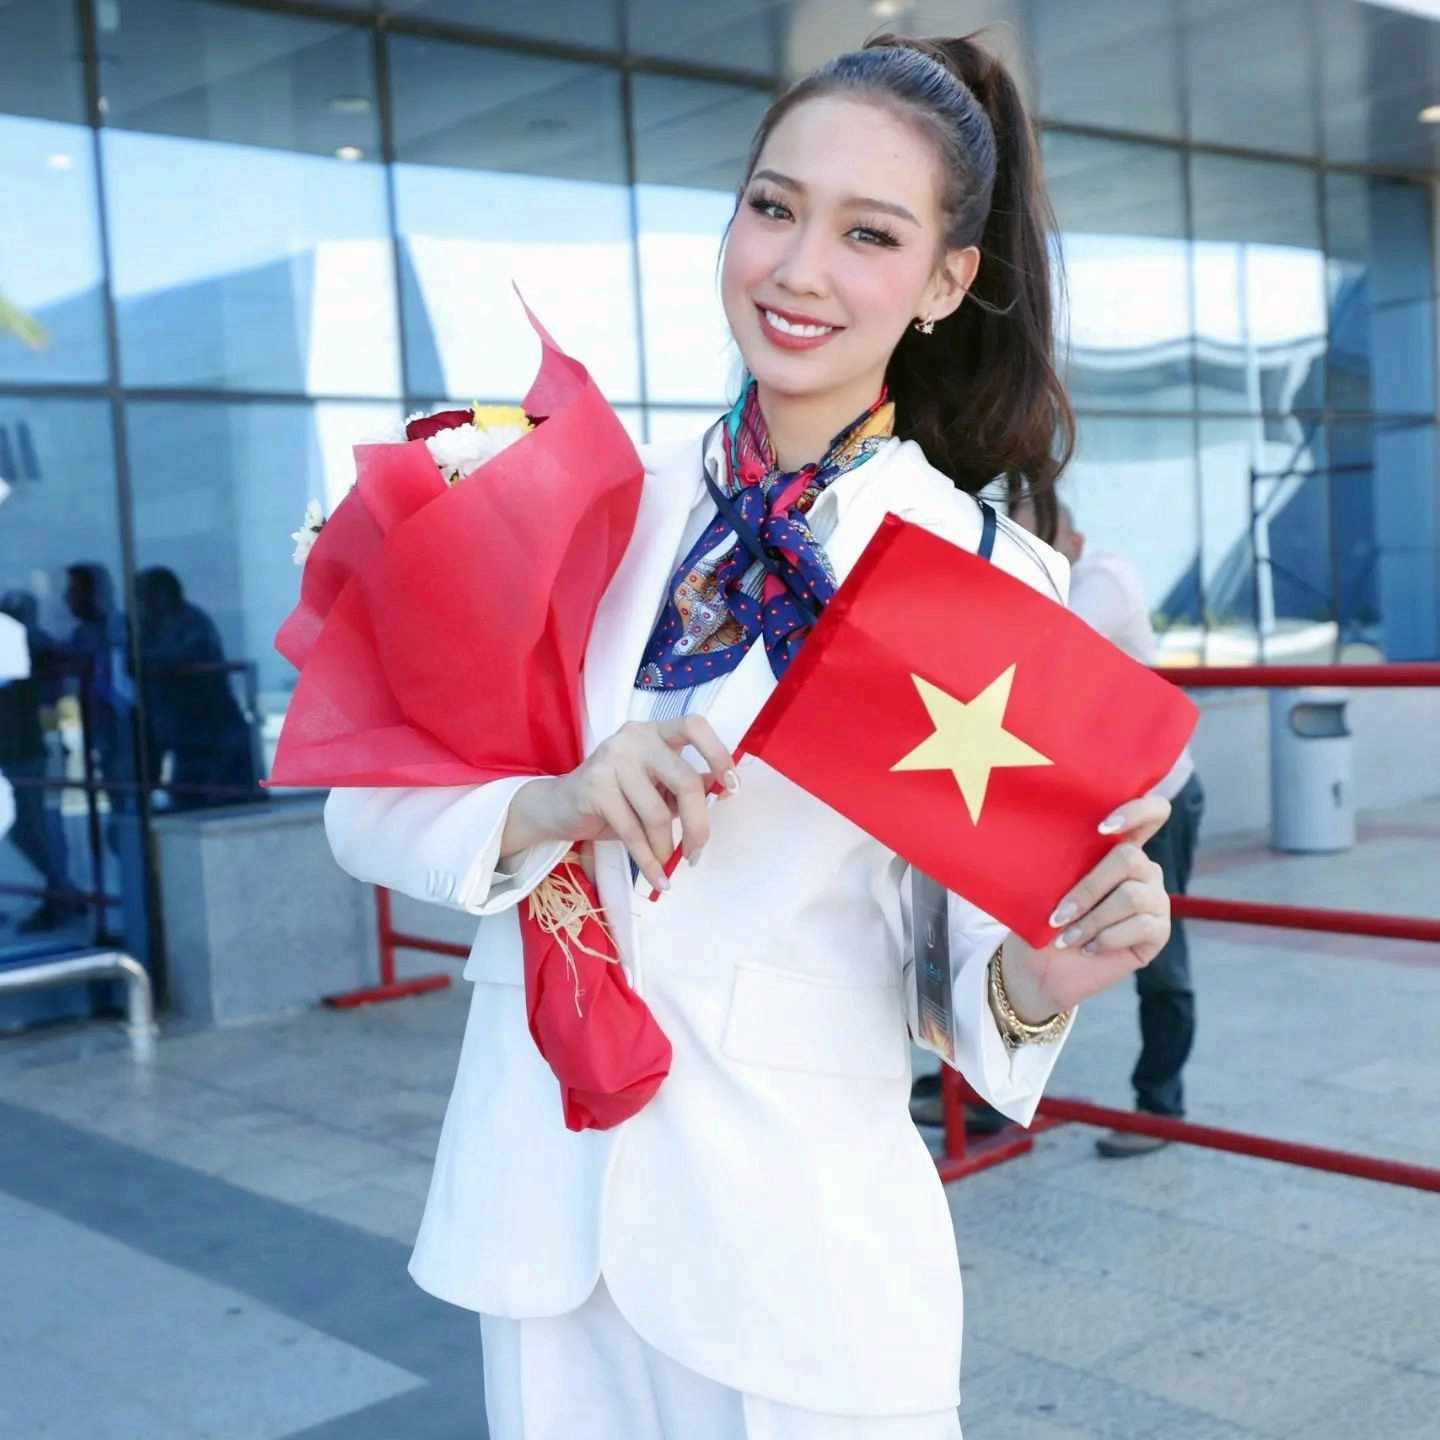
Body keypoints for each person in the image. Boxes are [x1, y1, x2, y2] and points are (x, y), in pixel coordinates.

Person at [324, 34, 1173, 1438]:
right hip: (543, 1206)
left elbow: (963, 980)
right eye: (774, 207)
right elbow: (366, 806)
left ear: (945, 281)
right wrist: (557, 801)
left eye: (869, 234)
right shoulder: (580, 498)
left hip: (797, 1248)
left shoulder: (981, 572)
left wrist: (1046, 972)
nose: (799, 267)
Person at [1014, 500, 1203, 1158]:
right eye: (1017, 538)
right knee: (1018, 932)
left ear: (1075, 539)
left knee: (1158, 955)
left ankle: (1160, 1107)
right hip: (1086, 799)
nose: (1029, 551)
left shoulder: (1106, 576)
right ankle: (987, 1097)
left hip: (1157, 799)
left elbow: (1046, 646)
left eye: (1041, 538)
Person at [134, 567, 256, 809]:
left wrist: (150, 662)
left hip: (214, 733)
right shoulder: (148, 629)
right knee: (186, 801)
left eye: (145, 596)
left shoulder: (192, 624)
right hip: (184, 737)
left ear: (164, 595)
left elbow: (182, 659)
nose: (141, 604)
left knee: (218, 804)